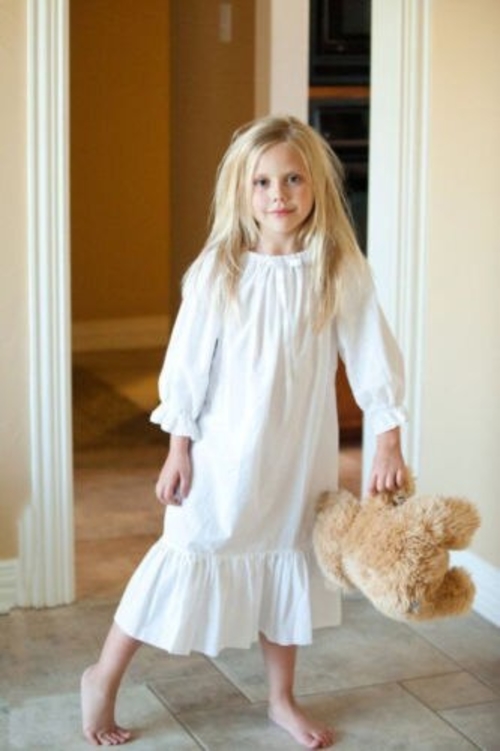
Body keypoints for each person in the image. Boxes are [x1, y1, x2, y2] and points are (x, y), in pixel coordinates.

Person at [81, 115, 407, 749]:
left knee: (286, 556)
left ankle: (282, 699)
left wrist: (388, 437)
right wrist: (178, 448)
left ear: (316, 186)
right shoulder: (220, 270)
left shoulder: (337, 269)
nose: (277, 194)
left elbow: (372, 354)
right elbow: (187, 367)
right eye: (262, 182)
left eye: (292, 179)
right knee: (188, 549)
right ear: (242, 190)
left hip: (296, 455)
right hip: (222, 452)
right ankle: (103, 674)